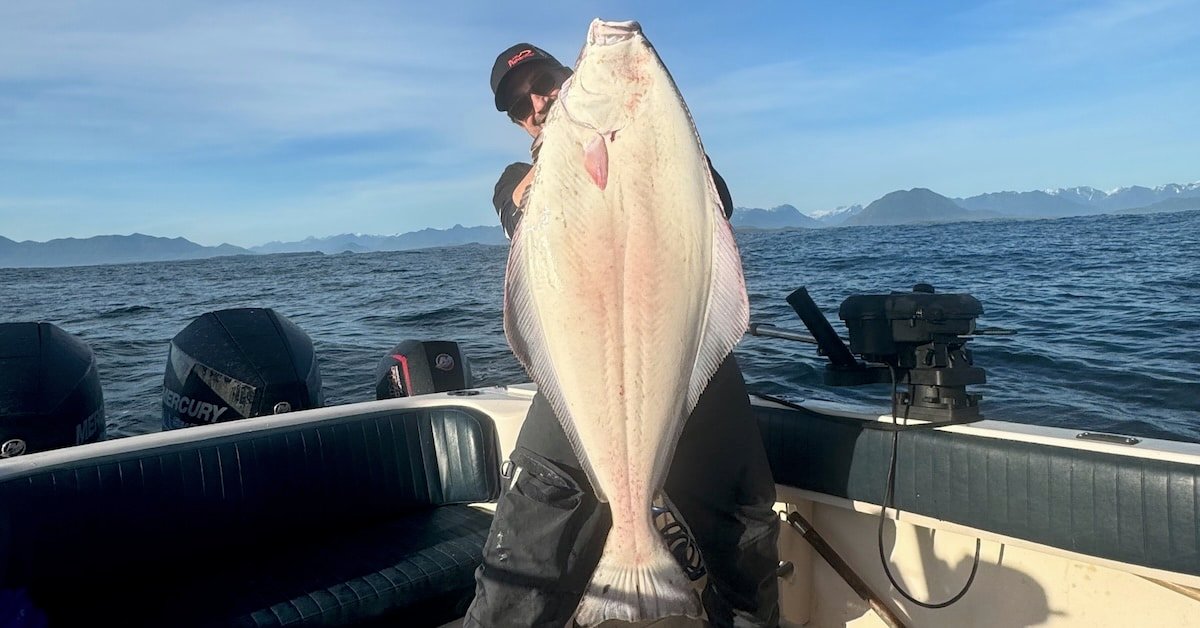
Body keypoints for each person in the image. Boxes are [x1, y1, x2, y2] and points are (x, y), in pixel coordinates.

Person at [465, 43, 781, 628]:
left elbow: (718, 202)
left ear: (570, 78)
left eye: (546, 81)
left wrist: (651, 127)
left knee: (744, 541)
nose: (536, 101)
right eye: (519, 103)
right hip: (586, 375)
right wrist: (565, 159)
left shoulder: (657, 151)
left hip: (690, 363)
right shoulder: (519, 178)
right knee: (526, 544)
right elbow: (517, 207)